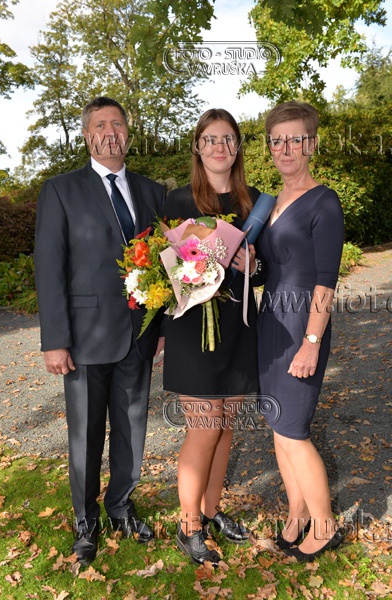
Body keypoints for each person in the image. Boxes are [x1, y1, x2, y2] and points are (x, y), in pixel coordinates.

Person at [34, 97, 166, 565]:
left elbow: (168, 263)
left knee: (132, 428)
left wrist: (161, 325)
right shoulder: (60, 190)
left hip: (138, 334)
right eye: (100, 125)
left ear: (128, 132)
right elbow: (49, 267)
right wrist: (55, 339)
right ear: (87, 135)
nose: (110, 132)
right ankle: (85, 520)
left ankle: (121, 506)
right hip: (85, 337)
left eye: (118, 124)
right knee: (86, 435)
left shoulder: (152, 192)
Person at [161, 109, 262, 566]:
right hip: (192, 328)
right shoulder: (177, 200)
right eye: (210, 139)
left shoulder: (254, 202)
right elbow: (163, 270)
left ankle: (210, 510)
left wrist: (254, 265)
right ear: (198, 147)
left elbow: (267, 269)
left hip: (238, 325)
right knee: (204, 428)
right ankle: (188, 527)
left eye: (228, 139)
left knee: (225, 428)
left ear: (237, 148)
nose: (220, 147)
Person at [256, 100, 345, 562]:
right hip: (270, 322)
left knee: (293, 430)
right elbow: (267, 268)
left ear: (311, 144)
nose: (285, 149)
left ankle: (325, 527)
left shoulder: (324, 201)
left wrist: (311, 342)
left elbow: (326, 281)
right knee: (277, 425)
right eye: (277, 141)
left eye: (295, 139)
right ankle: (297, 516)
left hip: (301, 326)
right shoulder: (270, 202)